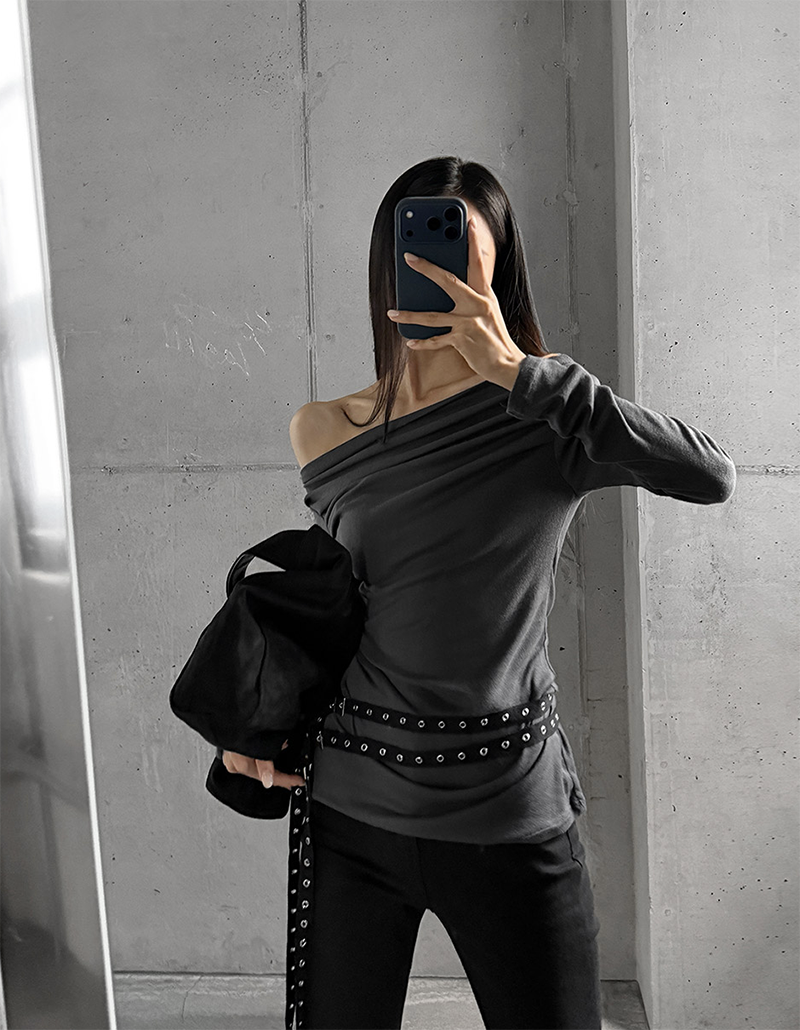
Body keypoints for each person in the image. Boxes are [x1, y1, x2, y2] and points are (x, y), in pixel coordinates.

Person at [222, 156, 736, 1030]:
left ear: (497, 269)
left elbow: (709, 474)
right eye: (416, 246)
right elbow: (350, 609)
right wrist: (252, 722)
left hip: (509, 812)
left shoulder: (551, 416)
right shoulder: (324, 428)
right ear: (386, 263)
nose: (434, 267)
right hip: (350, 807)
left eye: (459, 249)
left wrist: (521, 372)